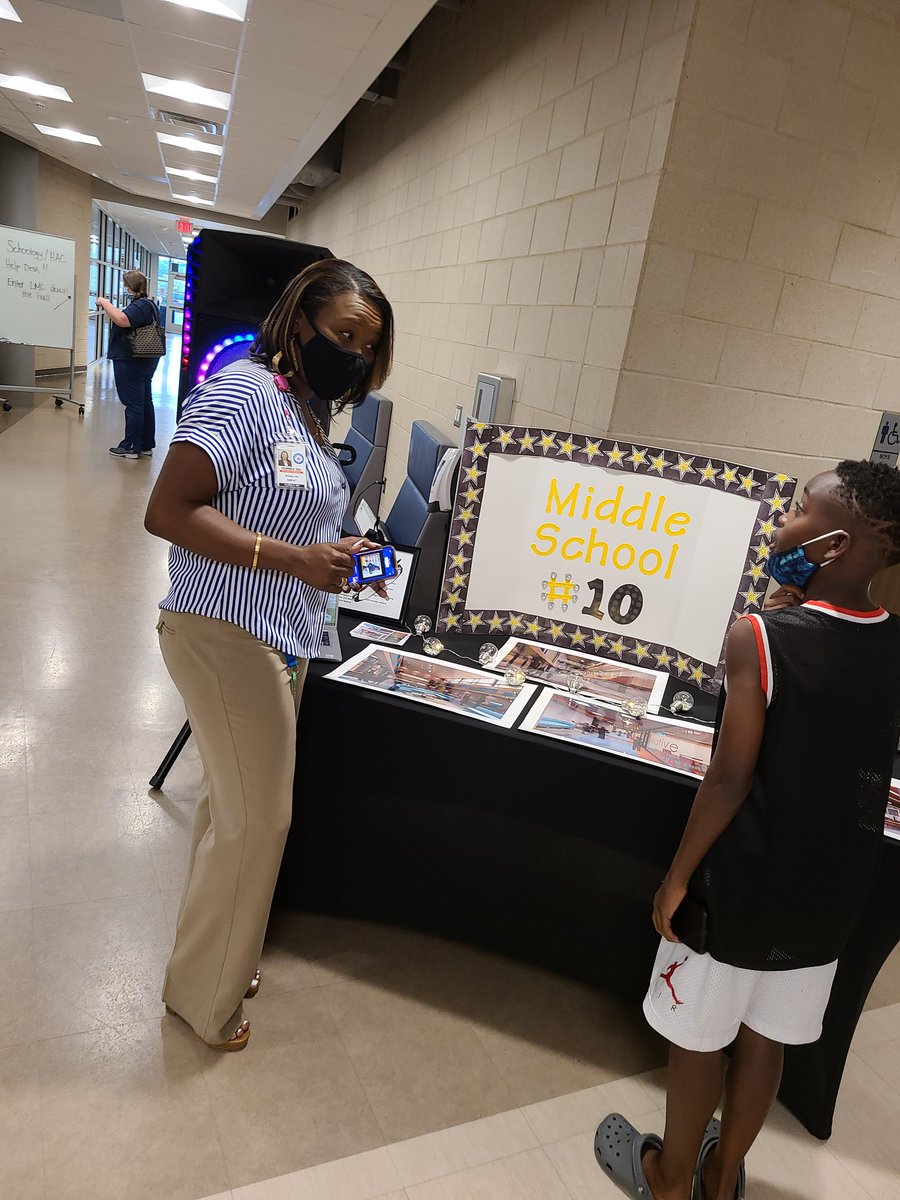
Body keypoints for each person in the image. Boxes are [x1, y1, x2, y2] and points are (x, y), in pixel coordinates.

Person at [595, 460, 900, 1200]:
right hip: (831, 890)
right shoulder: (893, 639)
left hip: (742, 884)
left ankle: (669, 1181)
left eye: (799, 510)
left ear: (830, 545)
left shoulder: (760, 634)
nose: (783, 522)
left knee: (698, 1033)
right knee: (768, 1039)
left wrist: (675, 878)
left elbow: (729, 779)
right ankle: (725, 1177)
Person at [144, 259, 394, 1051]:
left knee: (232, 812)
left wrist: (329, 549)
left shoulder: (303, 411)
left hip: (283, 637)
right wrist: (289, 559)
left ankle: (222, 952)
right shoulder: (246, 392)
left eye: (368, 347)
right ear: (299, 324)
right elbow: (167, 509)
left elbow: (280, 506)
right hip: (225, 632)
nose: (354, 356)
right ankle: (201, 1000)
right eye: (344, 335)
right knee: (260, 823)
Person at [97, 270, 163, 460]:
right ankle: (144, 445)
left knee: (133, 404)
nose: (124, 288)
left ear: (130, 286)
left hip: (131, 360)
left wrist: (104, 302)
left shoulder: (141, 305)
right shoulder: (150, 304)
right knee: (144, 403)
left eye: (125, 284)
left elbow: (121, 320)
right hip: (144, 361)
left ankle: (131, 446)